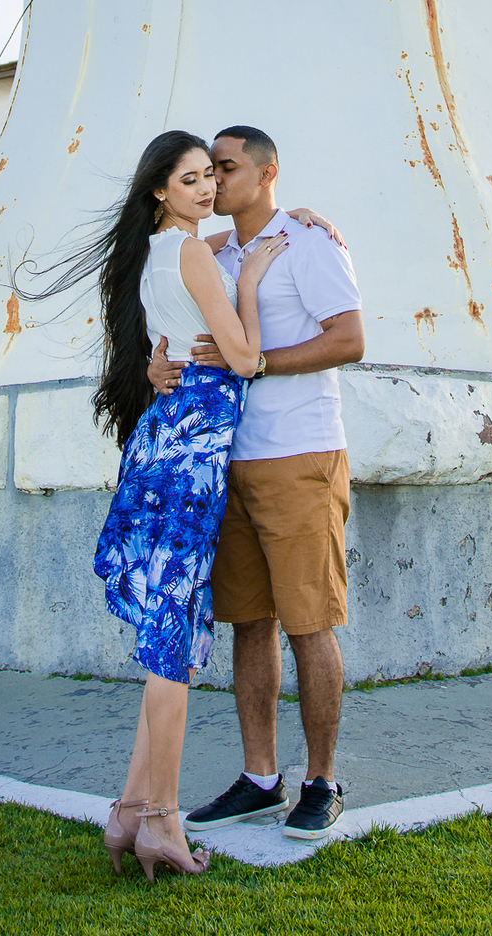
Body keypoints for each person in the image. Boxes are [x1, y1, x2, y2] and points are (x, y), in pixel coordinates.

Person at [19, 129, 290, 882]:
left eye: (210, 176)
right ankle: (162, 820)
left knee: (169, 634)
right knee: (173, 644)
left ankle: (130, 811)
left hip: (162, 445)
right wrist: (250, 284)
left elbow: (171, 338)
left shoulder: (154, 255)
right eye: (190, 179)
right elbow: (245, 359)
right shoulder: (194, 255)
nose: (206, 189)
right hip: (190, 458)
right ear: (160, 191)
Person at [148, 124, 364, 841]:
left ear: (269, 174)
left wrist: (260, 362)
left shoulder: (310, 243)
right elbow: (175, 293)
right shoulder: (217, 252)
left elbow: (349, 339)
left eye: (227, 167)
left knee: (309, 622)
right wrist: (156, 366)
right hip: (226, 462)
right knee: (250, 623)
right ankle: (261, 778)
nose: (214, 181)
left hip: (299, 455)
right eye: (206, 170)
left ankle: (322, 780)